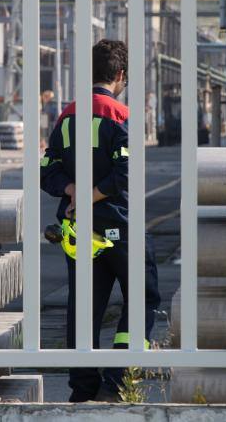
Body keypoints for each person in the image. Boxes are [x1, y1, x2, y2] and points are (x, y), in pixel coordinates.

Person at [40, 39, 161, 402]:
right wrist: (91, 195)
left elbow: (47, 171)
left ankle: (82, 390)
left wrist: (73, 190)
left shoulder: (67, 116)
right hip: (120, 227)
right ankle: (116, 382)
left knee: (84, 309)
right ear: (120, 75)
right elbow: (128, 173)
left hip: (78, 230)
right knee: (143, 297)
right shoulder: (121, 116)